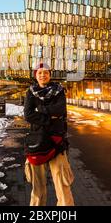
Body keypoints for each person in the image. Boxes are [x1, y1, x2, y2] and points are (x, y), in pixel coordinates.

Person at [23, 62, 75, 206]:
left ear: (50, 75)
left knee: (63, 185)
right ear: (35, 75)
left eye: (46, 72)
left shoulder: (59, 90)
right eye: (39, 72)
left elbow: (60, 110)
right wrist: (50, 117)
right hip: (37, 141)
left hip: (57, 141)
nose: (42, 75)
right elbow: (28, 115)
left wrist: (40, 111)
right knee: (37, 188)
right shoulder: (30, 92)